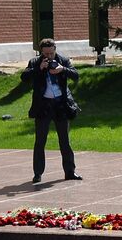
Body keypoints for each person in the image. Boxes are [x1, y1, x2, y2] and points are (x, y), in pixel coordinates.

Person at [22, 37, 81, 184]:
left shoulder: (63, 60)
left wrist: (63, 69)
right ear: (41, 52)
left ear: (55, 49)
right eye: (45, 54)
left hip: (61, 105)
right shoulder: (35, 62)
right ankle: (37, 174)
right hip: (43, 106)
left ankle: (70, 171)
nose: (49, 57)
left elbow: (76, 76)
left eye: (51, 53)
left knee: (65, 141)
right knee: (40, 141)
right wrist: (39, 68)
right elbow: (24, 78)